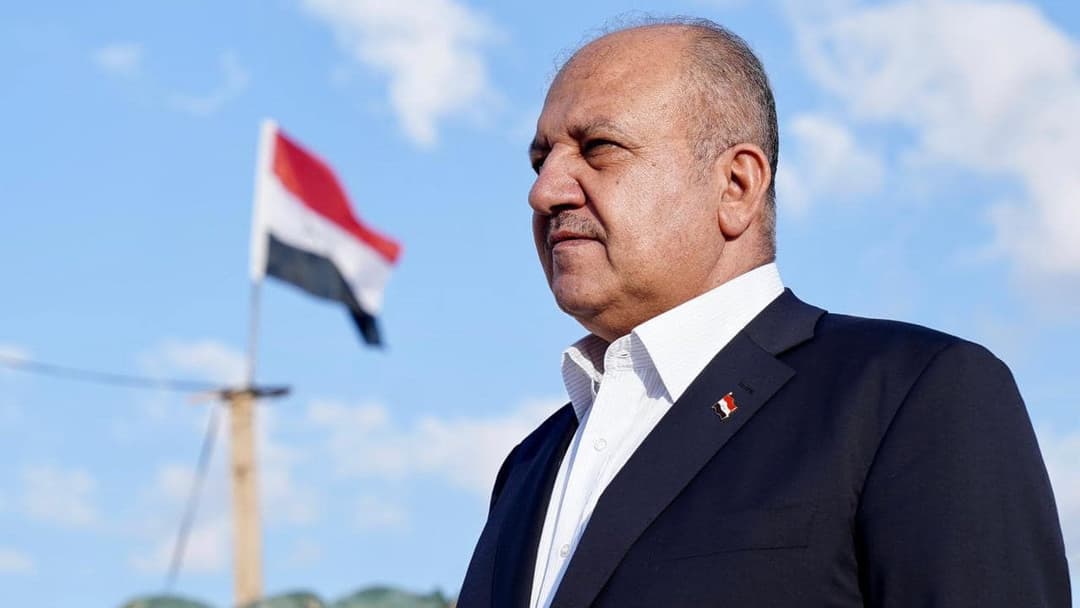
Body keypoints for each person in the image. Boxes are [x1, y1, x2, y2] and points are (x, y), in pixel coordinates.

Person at [458, 18, 1071, 608]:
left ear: (736, 185)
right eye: (541, 160)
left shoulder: (911, 394)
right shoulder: (530, 465)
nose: (545, 191)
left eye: (599, 149)